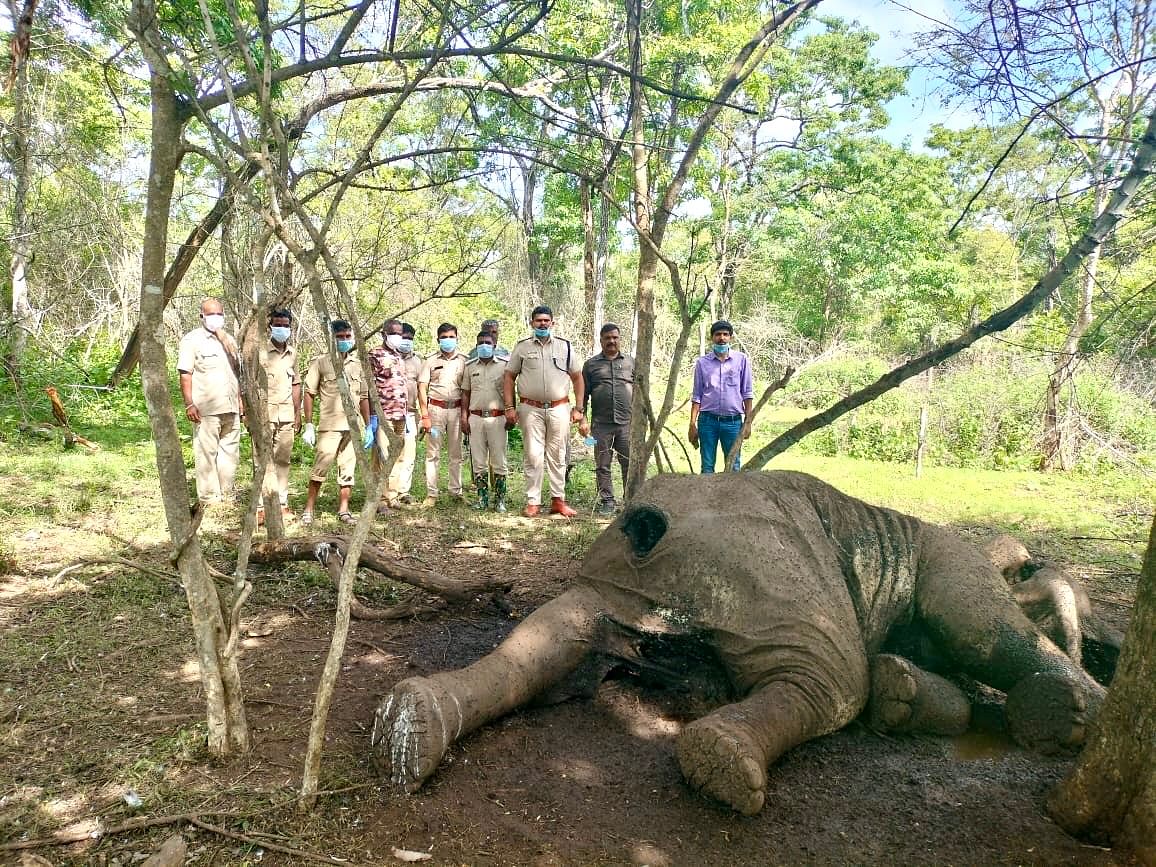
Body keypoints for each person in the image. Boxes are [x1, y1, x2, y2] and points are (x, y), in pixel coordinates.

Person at [503, 305, 588, 517]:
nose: (542, 324)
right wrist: (509, 407)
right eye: (538, 320)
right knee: (533, 455)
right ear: (532, 323)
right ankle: (533, 502)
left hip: (559, 408)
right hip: (530, 408)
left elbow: (577, 377)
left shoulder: (565, 347)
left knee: (558, 455)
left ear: (552, 323)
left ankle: (558, 501)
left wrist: (579, 408)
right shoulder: (522, 347)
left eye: (546, 320)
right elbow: (509, 377)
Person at [300, 320, 370, 525]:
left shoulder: (358, 365)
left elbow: (364, 396)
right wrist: (309, 424)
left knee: (348, 470)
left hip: (353, 426)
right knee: (320, 468)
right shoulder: (321, 362)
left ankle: (344, 510)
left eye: (348, 336)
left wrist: (369, 425)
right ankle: (309, 509)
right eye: (340, 337)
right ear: (332, 338)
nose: (344, 340)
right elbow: (309, 393)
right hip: (329, 425)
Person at [178, 297, 241, 504]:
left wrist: (240, 401)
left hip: (231, 407)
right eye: (211, 314)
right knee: (206, 453)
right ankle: (209, 499)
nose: (216, 318)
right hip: (206, 409)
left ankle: (227, 494)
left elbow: (236, 374)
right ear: (201, 316)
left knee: (229, 453)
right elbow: (185, 373)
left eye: (219, 314)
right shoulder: (192, 340)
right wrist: (189, 403)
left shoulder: (229, 341)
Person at [688, 320, 754, 473]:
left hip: (733, 423)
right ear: (712, 338)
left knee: (733, 467)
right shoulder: (702, 363)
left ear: (730, 338)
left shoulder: (741, 360)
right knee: (707, 467)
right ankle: (707, 497)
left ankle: (732, 498)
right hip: (707, 422)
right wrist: (692, 424)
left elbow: (747, 394)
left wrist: (748, 422)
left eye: (725, 334)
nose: (722, 338)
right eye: (718, 334)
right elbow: (697, 396)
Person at [582, 323, 634, 515]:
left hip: (627, 424)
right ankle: (607, 501)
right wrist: (583, 420)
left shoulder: (631, 362)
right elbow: (583, 395)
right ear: (601, 340)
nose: (612, 341)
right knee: (602, 464)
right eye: (607, 338)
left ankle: (630, 500)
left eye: (615, 338)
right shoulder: (591, 365)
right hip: (600, 425)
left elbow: (640, 392)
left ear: (619, 339)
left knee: (629, 462)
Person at [459, 331, 511, 512]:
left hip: (498, 418)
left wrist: (511, 413)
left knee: (499, 460)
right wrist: (464, 417)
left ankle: (500, 500)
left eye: (487, 342)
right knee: (478, 460)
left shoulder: (505, 366)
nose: (484, 345)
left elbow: (510, 392)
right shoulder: (470, 366)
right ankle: (482, 499)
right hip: (475, 418)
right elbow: (465, 393)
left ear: (495, 345)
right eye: (480, 342)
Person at [418, 322, 468, 505]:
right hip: (435, 411)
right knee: (433, 453)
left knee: (456, 453)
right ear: (438, 339)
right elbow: (422, 387)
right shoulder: (430, 361)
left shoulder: (464, 360)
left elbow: (466, 390)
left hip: (456, 410)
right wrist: (425, 416)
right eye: (444, 337)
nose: (448, 341)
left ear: (457, 338)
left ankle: (456, 491)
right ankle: (432, 494)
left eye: (451, 337)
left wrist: (465, 415)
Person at [258, 308, 300, 520]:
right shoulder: (260, 353)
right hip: (264, 414)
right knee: (263, 460)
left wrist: (298, 413)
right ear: (270, 326)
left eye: (285, 325)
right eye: (278, 325)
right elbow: (249, 383)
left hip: (287, 415)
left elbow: (296, 384)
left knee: (283, 459)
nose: (282, 329)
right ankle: (261, 507)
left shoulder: (293, 354)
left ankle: (282, 503)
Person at [367, 318, 410, 515]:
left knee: (397, 456)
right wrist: (372, 416)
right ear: (384, 333)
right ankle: (379, 500)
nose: (397, 337)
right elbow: (368, 386)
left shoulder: (399, 356)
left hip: (400, 414)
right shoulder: (374, 354)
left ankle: (392, 495)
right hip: (382, 414)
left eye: (400, 333)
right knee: (381, 457)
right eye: (393, 332)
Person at [386, 322, 423, 505]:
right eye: (403, 337)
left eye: (409, 338)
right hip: (390, 412)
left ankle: (403, 491)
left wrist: (424, 415)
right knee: (389, 452)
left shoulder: (418, 361)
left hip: (410, 413)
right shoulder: (387, 358)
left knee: (408, 453)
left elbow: (423, 388)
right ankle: (387, 491)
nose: (406, 341)